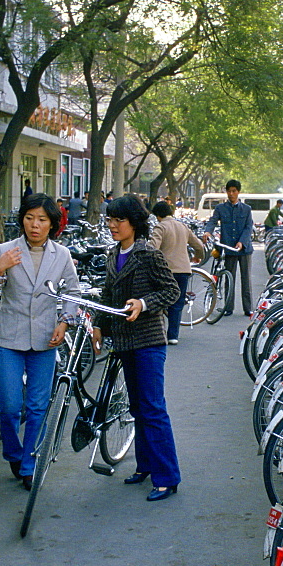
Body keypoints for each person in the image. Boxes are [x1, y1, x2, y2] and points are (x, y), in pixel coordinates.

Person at [0, 194, 80, 490]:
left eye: (42, 220)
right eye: (29, 218)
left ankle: (29, 463)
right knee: (10, 406)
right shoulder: (6, 250)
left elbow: (73, 292)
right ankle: (12, 451)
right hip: (9, 337)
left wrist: (64, 322)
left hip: (46, 338)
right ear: (22, 220)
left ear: (52, 224)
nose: (35, 225)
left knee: (37, 406)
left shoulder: (61, 254)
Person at [91, 195, 182, 501]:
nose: (113, 226)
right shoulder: (112, 254)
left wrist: (143, 303)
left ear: (135, 222)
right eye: (110, 220)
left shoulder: (148, 254)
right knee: (137, 407)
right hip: (123, 341)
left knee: (153, 408)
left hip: (149, 341)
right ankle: (145, 465)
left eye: (120, 220)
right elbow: (107, 294)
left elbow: (171, 291)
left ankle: (167, 477)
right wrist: (99, 324)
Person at [149, 201, 205, 344]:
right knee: (177, 303)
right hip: (183, 270)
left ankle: (158, 333)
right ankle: (173, 336)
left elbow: (153, 247)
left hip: (166, 271)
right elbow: (198, 245)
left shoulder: (160, 227)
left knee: (161, 301)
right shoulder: (182, 226)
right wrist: (199, 256)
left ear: (158, 216)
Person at [202, 179, 254, 317]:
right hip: (229, 248)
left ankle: (248, 308)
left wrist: (242, 242)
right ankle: (228, 307)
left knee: (246, 279)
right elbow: (213, 221)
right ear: (226, 192)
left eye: (234, 191)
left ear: (238, 192)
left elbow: (249, 228)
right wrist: (208, 231)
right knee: (228, 278)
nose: (231, 194)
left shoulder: (246, 209)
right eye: (229, 191)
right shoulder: (220, 208)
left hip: (244, 250)